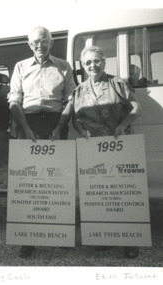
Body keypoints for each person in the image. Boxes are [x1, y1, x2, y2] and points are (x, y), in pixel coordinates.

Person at [63, 45, 141, 258]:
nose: (92, 65)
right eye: (88, 62)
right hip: (94, 153)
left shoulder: (117, 83)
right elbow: (76, 119)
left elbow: (136, 108)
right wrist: (83, 130)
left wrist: (123, 125)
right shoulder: (78, 90)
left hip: (119, 147)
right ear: (83, 66)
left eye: (96, 61)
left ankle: (130, 241)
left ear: (104, 62)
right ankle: (105, 237)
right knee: (100, 196)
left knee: (123, 196)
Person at [7, 26, 76, 258]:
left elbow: (70, 99)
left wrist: (60, 126)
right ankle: (28, 239)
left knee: (58, 180)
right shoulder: (20, 67)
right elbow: (14, 100)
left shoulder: (63, 66)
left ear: (51, 42)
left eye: (44, 40)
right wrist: (25, 129)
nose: (40, 44)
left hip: (56, 121)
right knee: (28, 182)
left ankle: (61, 232)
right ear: (30, 44)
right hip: (28, 122)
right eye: (36, 41)